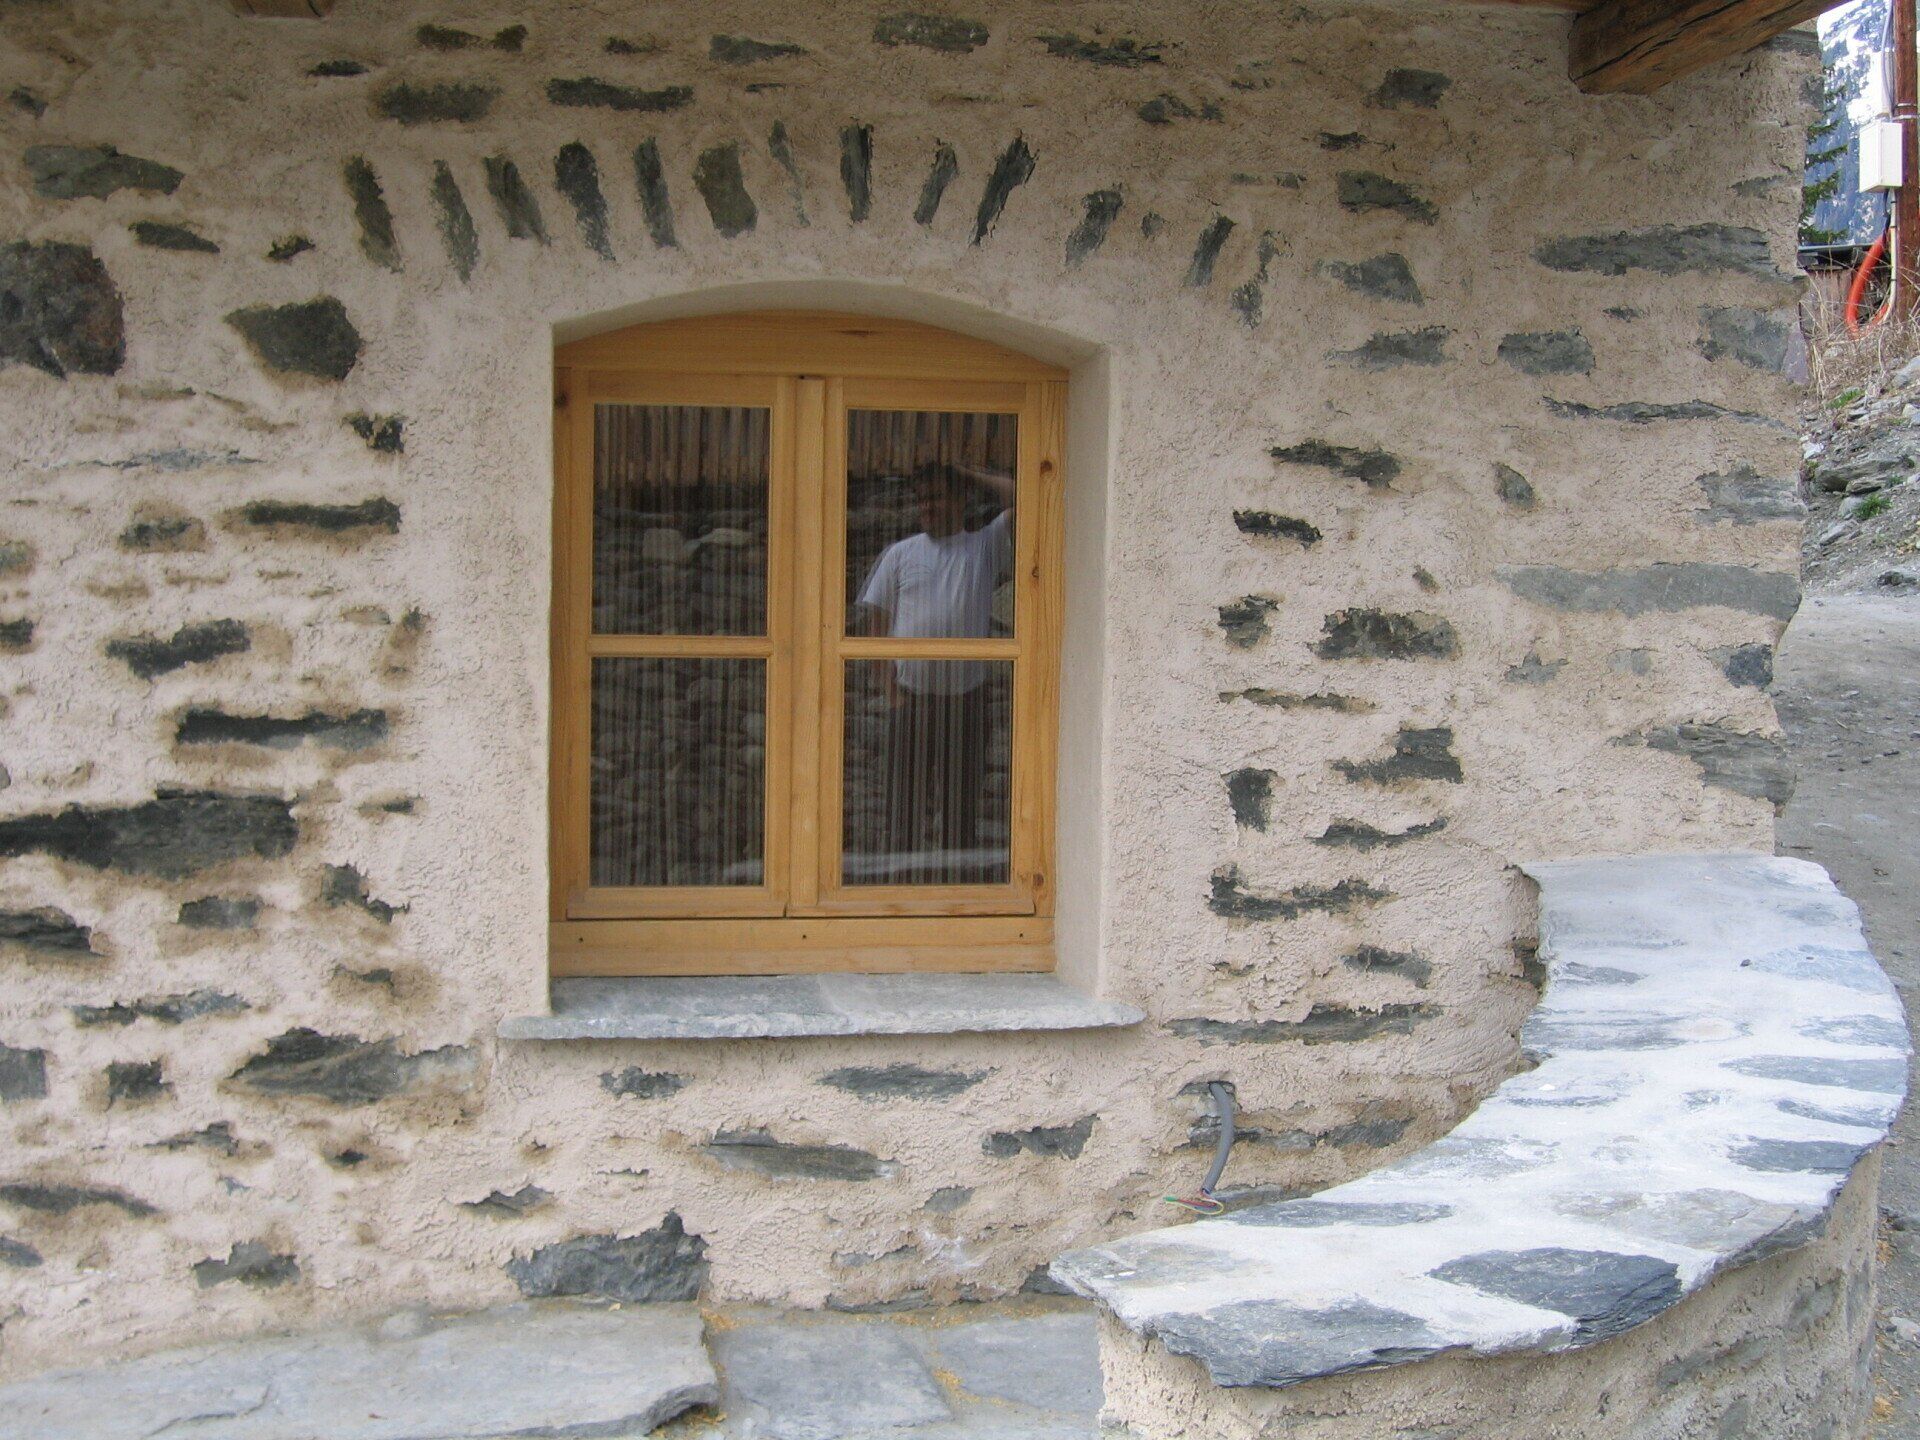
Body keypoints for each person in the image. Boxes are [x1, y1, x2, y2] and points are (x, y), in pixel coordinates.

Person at [853, 460, 1014, 877]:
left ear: (960, 500)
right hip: (912, 702)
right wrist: (891, 695)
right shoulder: (900, 554)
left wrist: (968, 473)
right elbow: (877, 628)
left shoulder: (983, 547)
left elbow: (1025, 499)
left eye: (937, 497)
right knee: (903, 809)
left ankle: (955, 892)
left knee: (961, 810)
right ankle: (902, 891)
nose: (927, 506)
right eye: (922, 499)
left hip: (966, 702)